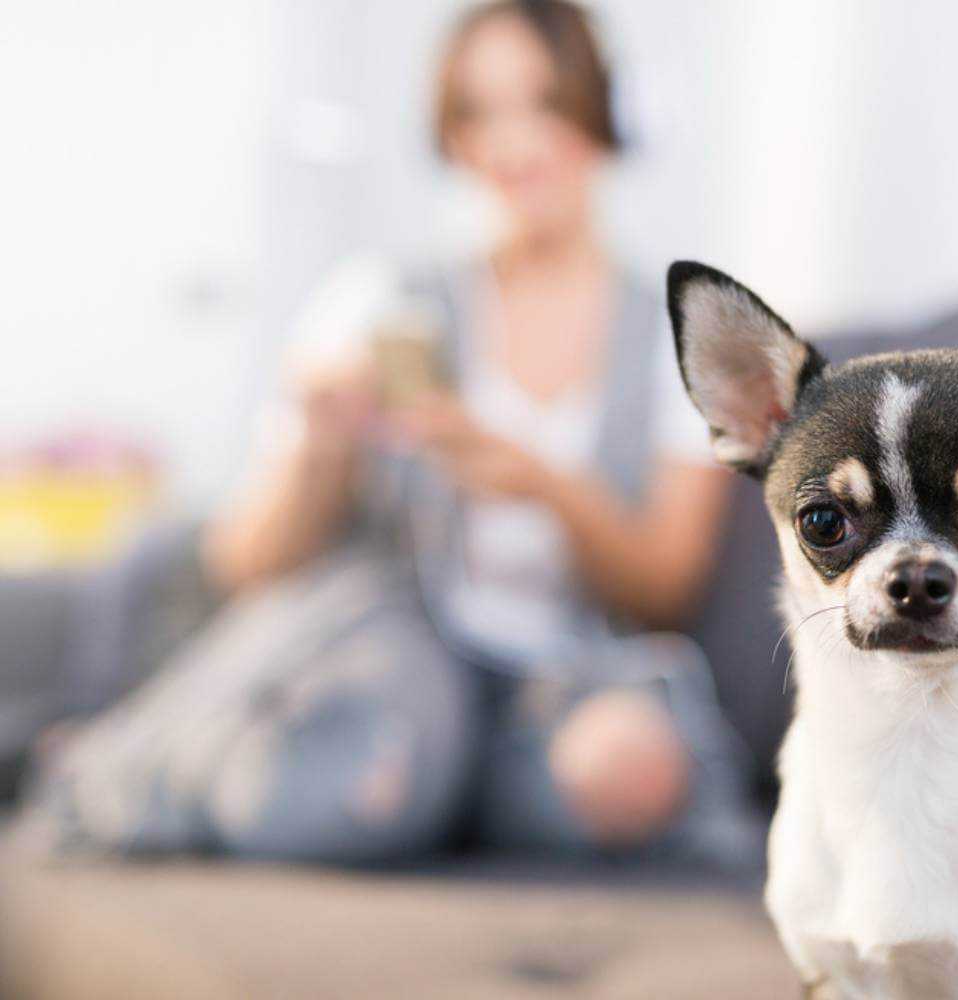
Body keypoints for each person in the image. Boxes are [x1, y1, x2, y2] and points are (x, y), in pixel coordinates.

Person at [18, 0, 754, 867]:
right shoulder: (378, 300)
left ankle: (448, 790)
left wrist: (539, 483)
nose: (513, 144)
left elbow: (664, 585)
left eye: (545, 103)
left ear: (604, 114)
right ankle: (120, 770)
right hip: (402, 656)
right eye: (480, 112)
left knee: (629, 771)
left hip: (568, 675)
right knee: (342, 793)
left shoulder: (679, 335)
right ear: (450, 136)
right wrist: (319, 443)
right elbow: (245, 561)